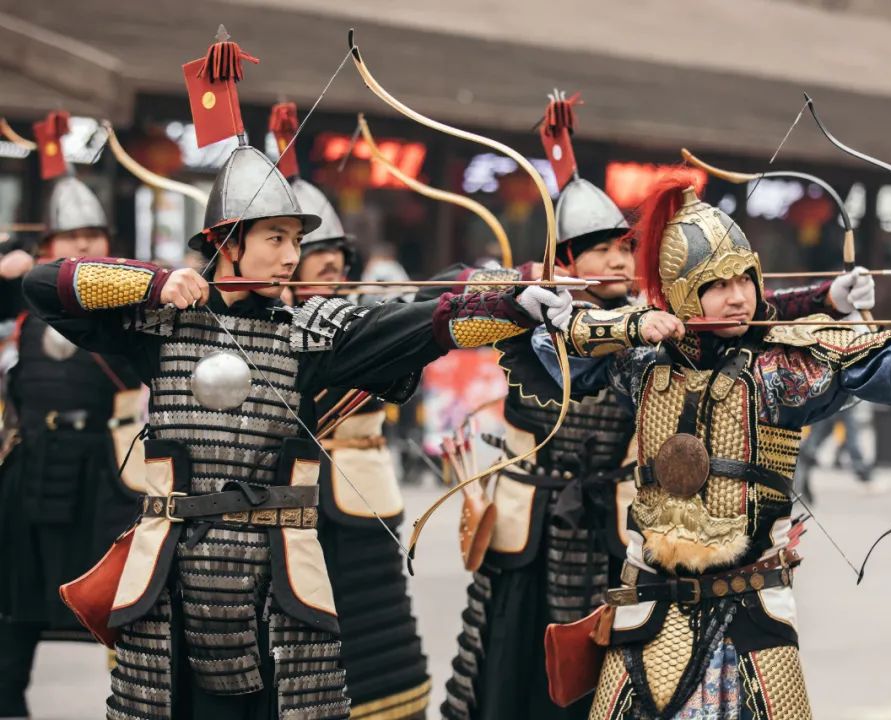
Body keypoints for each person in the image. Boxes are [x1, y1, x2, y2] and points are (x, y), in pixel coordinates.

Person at [22, 135, 571, 719]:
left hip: (275, 578)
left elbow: (420, 326)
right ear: (227, 242)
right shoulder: (159, 326)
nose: (291, 256)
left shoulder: (305, 334)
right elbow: (42, 286)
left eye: (296, 241)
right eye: (275, 238)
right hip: (172, 574)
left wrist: (509, 306)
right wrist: (151, 283)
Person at [439, 96, 877, 720]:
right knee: (512, 663)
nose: (618, 260)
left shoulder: (650, 320)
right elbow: (460, 299)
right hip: (530, 518)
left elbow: (736, 313)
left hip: (618, 519)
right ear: (565, 261)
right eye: (600, 251)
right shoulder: (537, 306)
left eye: (625, 248)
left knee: (617, 665)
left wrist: (825, 297)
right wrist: (523, 291)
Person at [523, 174, 891, 718]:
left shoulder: (778, 369)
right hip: (648, 605)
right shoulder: (641, 360)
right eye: (717, 285)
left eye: (745, 280)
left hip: (750, 610)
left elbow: (873, 361)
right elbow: (553, 346)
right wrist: (619, 324)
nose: (738, 297)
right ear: (682, 292)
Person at [0, 172, 143, 719]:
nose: (83, 244)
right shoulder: (21, 301)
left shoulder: (130, 303)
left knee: (124, 609)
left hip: (104, 471)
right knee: (14, 601)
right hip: (30, 465)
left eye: (93, 235)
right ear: (48, 246)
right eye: (70, 236)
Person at [289, 171, 431, 719]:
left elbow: (431, 305)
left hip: (359, 499)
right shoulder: (262, 321)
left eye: (338, 251)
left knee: (378, 638)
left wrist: (485, 285)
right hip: (287, 501)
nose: (332, 261)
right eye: (316, 250)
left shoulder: (365, 316)